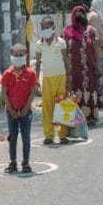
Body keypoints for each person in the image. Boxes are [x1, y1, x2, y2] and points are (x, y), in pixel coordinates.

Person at [1, 44, 38, 174]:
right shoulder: (7, 74)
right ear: (11, 56)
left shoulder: (31, 73)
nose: (18, 58)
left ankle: (26, 162)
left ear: (26, 56)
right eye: (16, 55)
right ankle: (13, 162)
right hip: (11, 111)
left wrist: (26, 108)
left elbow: (32, 92)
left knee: (26, 137)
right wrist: (11, 109)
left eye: (21, 55)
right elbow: (4, 93)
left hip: (25, 111)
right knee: (13, 136)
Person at [35, 16, 71, 145]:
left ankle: (62, 134)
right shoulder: (39, 44)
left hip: (61, 77)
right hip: (47, 79)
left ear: (53, 28)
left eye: (47, 27)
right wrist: (36, 80)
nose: (45, 30)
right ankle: (49, 135)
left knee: (62, 106)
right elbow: (38, 63)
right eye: (43, 28)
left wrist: (69, 79)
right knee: (47, 107)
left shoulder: (61, 42)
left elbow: (66, 61)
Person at [63, 5, 100, 126]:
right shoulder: (67, 31)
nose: (79, 17)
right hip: (73, 70)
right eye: (77, 14)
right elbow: (62, 49)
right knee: (74, 92)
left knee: (90, 91)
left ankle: (90, 118)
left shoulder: (91, 31)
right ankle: (75, 119)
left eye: (82, 14)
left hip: (89, 69)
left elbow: (96, 50)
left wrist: (97, 67)